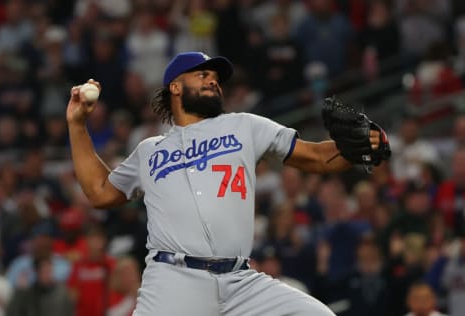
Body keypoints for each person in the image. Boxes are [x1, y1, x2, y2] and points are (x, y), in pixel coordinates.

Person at [66, 51, 385, 315]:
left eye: (215, 77)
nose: (212, 80)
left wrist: (361, 147)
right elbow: (99, 192)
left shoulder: (244, 126)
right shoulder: (150, 151)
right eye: (202, 74)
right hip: (174, 281)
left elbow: (315, 157)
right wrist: (78, 125)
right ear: (175, 87)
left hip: (240, 281)